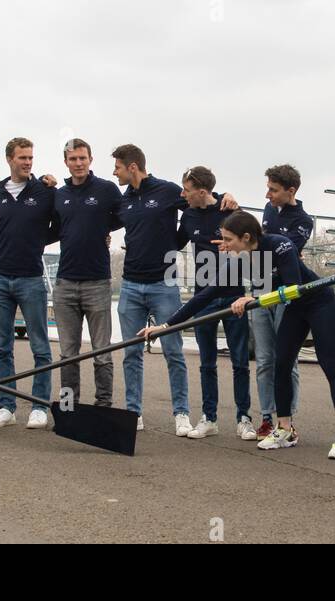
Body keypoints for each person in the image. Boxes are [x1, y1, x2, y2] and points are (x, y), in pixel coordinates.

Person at [143, 211, 335, 459]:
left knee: (330, 364)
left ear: (246, 237)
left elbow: (293, 287)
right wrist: (165, 325)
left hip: (319, 303)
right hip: (294, 310)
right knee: (281, 364)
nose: (225, 245)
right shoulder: (240, 260)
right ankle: (285, 429)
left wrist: (253, 299)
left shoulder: (279, 245)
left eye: (228, 239)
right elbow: (206, 295)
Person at [110, 144, 192, 435]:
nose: (114, 172)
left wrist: (225, 198)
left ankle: (181, 413)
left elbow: (198, 204)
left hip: (164, 283)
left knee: (173, 351)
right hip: (131, 284)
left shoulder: (168, 191)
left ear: (132, 166)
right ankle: (134, 412)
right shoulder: (124, 200)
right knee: (131, 353)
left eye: (117, 167)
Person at [0, 138, 59, 430]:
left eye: (30, 157)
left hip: (30, 279)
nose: (28, 162)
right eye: (22, 158)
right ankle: (6, 406)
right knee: (3, 346)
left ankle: (39, 407)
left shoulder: (45, 193)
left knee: (40, 346)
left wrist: (38, 241)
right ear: (9, 160)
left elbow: (62, 224)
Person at [174, 166, 254, 440]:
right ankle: (209, 418)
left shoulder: (229, 212)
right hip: (204, 297)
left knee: (240, 361)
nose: (182, 194)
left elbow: (253, 243)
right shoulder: (188, 215)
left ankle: (244, 418)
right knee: (207, 363)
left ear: (203, 192)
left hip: (234, 296)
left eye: (186, 190)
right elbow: (171, 243)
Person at [50, 139, 122, 412]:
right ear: (66, 162)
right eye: (73, 159)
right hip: (65, 283)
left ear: (90, 159)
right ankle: (69, 407)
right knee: (68, 354)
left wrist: (106, 228)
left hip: (97, 283)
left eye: (82, 158)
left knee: (102, 352)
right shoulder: (58, 194)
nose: (78, 163)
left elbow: (126, 215)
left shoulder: (106, 190)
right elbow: (53, 228)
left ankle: (103, 406)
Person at [250, 165, 312, 439]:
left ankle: (287, 420)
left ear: (291, 191)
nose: (268, 195)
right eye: (267, 188)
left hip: (285, 294)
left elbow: (283, 249)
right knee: (264, 359)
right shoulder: (266, 212)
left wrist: (260, 245)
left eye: (273, 190)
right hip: (261, 288)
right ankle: (266, 417)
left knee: (286, 359)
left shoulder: (304, 220)